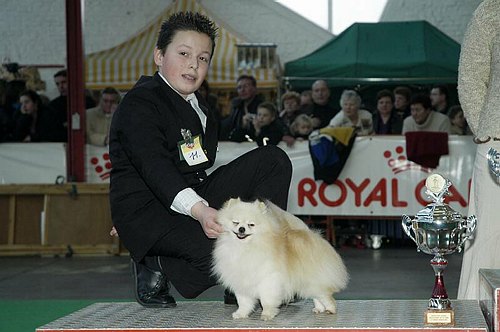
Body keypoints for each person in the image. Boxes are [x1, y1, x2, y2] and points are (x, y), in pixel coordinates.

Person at [108, 12, 292, 308]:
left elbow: (195, 168)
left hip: (189, 200)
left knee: (273, 160)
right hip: (148, 212)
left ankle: (245, 280)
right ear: (158, 56)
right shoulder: (140, 103)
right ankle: (154, 264)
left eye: (203, 58)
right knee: (223, 250)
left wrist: (216, 209)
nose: (194, 64)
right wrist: (200, 211)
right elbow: (155, 166)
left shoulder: (201, 110)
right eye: (183, 54)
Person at [457, 0, 500, 300]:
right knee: (488, 238)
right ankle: (479, 314)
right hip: (497, 144)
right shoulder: (491, 11)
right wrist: (486, 129)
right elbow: (470, 78)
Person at [48, 69, 96, 142]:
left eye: (64, 82)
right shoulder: (53, 105)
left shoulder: (87, 101)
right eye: (57, 84)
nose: (61, 86)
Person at [219, 75, 264, 140]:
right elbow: (228, 126)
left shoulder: (262, 106)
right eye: (239, 87)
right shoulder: (236, 106)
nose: (242, 90)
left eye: (246, 86)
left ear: (254, 88)